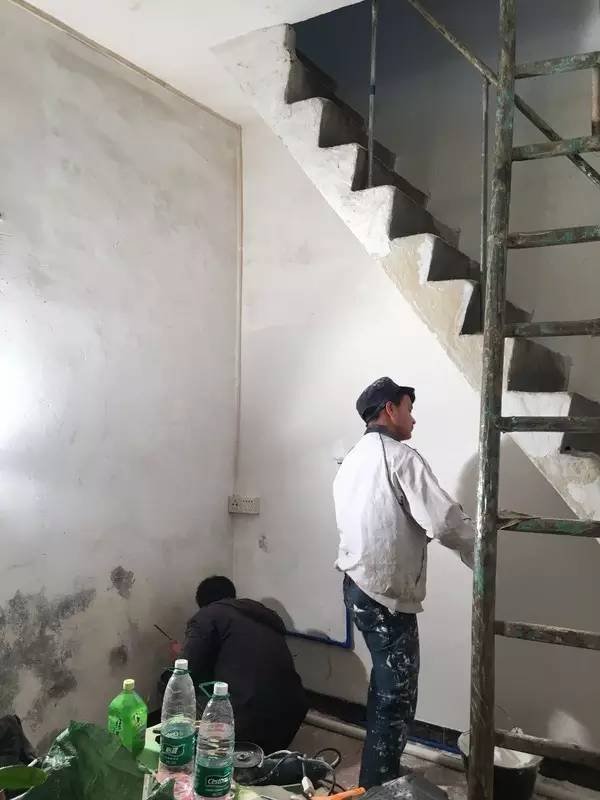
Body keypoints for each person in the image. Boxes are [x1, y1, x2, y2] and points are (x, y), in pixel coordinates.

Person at [333, 377, 474, 789]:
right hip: (385, 597)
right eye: (409, 409)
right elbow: (444, 522)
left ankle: (374, 778)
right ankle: (380, 785)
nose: (413, 419)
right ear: (389, 410)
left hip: (357, 587)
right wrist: (480, 546)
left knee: (385, 686)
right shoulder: (400, 457)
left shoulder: (352, 460)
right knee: (397, 698)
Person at [168, 576, 308, 755]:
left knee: (173, 686)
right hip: (290, 718)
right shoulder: (260, 616)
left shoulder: (207, 615)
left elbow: (188, 668)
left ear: (204, 603)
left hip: (247, 720)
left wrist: (180, 654)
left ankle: (185, 754)